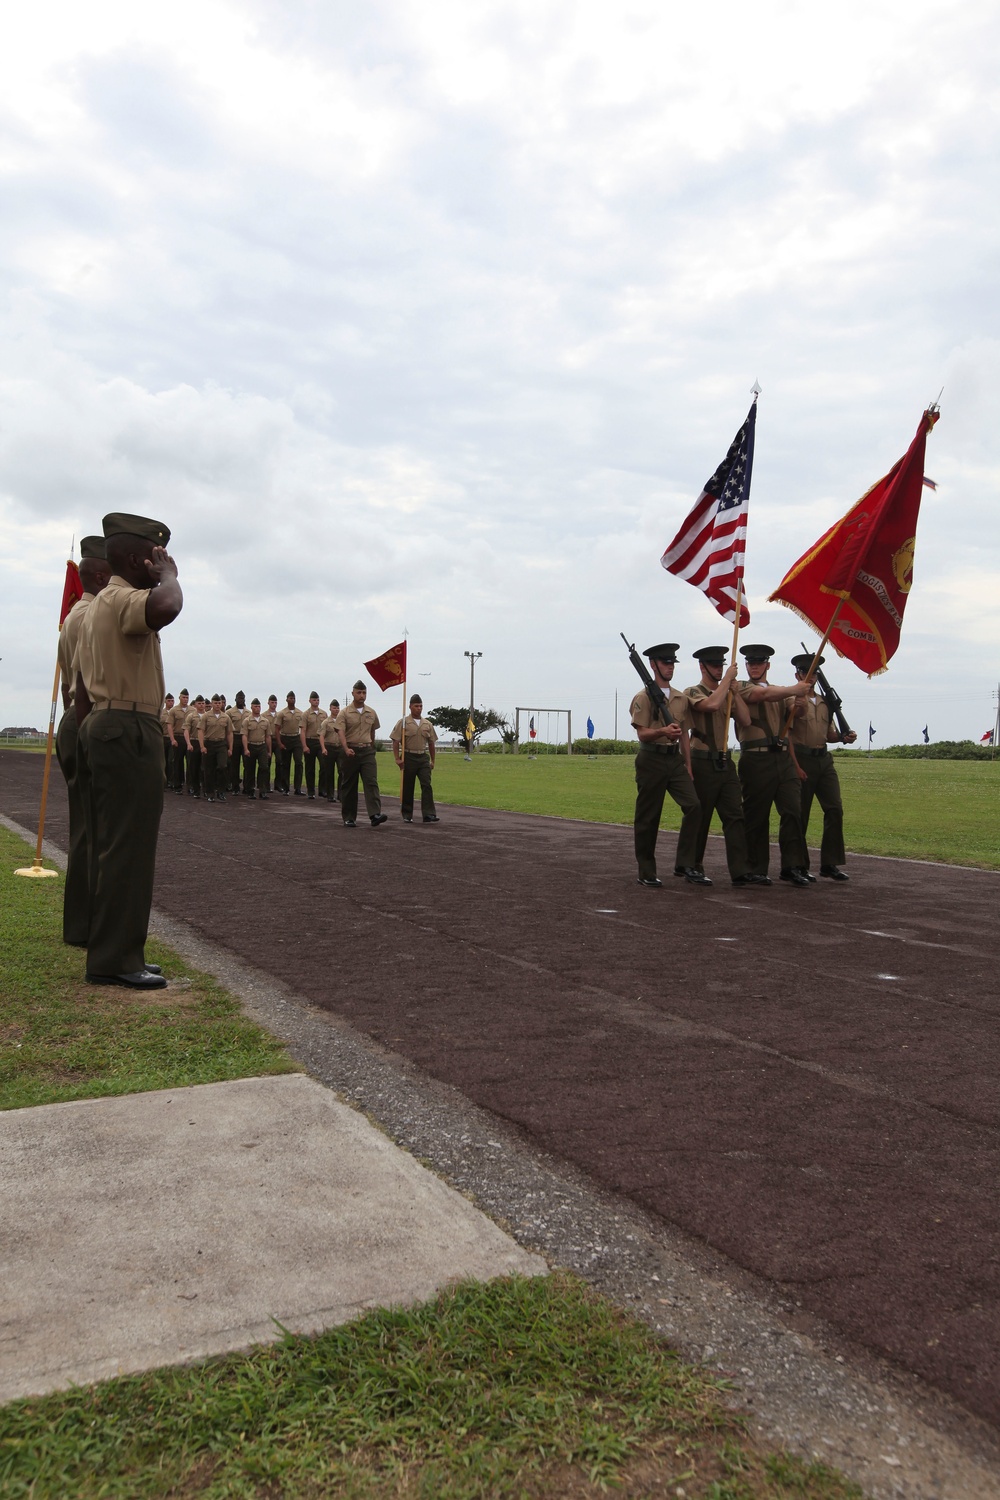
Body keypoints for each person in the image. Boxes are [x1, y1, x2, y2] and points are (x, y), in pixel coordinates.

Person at [75, 511, 182, 989]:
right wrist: (171, 576)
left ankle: (115, 951)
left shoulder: (99, 605)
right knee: (129, 850)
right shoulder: (122, 598)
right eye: (154, 554)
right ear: (139, 556)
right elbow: (168, 607)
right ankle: (116, 958)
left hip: (106, 724)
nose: (158, 562)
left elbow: (80, 688)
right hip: (127, 727)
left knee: (116, 847)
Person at [54, 535, 111, 947]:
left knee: (84, 830)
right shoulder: (91, 615)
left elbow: (66, 685)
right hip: (89, 719)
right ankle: (88, 926)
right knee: (94, 832)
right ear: (101, 573)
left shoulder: (74, 616)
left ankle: (80, 925)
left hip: (75, 719)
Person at [734, 644, 813, 886]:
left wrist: (801, 698)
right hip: (756, 758)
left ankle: (792, 866)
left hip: (782, 757)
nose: (754, 666)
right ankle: (756, 867)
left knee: (793, 811)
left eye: (759, 662)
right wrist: (795, 688)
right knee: (756, 815)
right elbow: (762, 695)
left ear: (767, 665)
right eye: (750, 662)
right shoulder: (741, 687)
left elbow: (796, 712)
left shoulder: (783, 691)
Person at [629, 642, 707, 887]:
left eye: (672, 662)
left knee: (694, 806)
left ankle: (685, 863)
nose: (670, 667)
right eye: (665, 663)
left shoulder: (680, 698)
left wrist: (688, 764)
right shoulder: (643, 697)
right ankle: (647, 871)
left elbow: (684, 733)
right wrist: (662, 730)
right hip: (651, 758)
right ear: (653, 665)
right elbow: (642, 734)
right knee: (648, 817)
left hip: (674, 760)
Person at [684, 647, 759, 886]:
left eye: (721, 665)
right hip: (702, 761)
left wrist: (735, 693)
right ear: (702, 667)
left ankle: (740, 870)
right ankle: (691, 866)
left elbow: (746, 721)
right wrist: (727, 680)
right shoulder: (693, 691)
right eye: (714, 666)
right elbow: (710, 706)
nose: (718, 669)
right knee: (701, 817)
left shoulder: (727, 692)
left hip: (725, 763)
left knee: (735, 816)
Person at [787, 652, 857, 880]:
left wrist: (844, 737)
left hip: (823, 759)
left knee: (835, 808)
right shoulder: (791, 699)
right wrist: (795, 766)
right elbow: (787, 735)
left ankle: (830, 863)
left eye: (814, 673)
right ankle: (797, 865)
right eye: (805, 672)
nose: (810, 676)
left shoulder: (825, 703)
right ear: (797, 673)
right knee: (800, 813)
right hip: (801, 757)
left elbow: (829, 735)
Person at [335, 680, 387, 827]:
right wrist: (345, 748)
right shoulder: (344, 713)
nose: (362, 695)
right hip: (350, 750)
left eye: (364, 692)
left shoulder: (371, 712)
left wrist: (371, 747)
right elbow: (340, 732)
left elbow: (372, 730)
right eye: (359, 692)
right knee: (349, 785)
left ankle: (375, 814)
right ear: (353, 693)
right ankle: (349, 817)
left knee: (371, 782)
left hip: (367, 751)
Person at [391, 694, 440, 822]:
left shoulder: (427, 724)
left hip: (423, 757)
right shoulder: (403, 722)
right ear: (410, 707)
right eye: (416, 706)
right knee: (408, 786)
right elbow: (395, 741)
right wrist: (397, 758)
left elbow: (431, 743)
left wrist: (433, 760)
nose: (419, 708)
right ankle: (407, 814)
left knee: (426, 784)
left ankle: (429, 814)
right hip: (409, 756)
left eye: (421, 706)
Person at [199, 693, 234, 802]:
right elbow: (201, 731)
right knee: (209, 770)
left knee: (223, 766)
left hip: (221, 744)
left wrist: (230, 748)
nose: (218, 705)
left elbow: (229, 733)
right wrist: (202, 746)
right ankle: (210, 793)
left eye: (219, 703)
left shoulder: (226, 717)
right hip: (209, 744)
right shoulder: (206, 716)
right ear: (212, 703)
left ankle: (221, 791)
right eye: (215, 703)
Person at [273, 690, 304, 795]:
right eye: (290, 698)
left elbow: (304, 728)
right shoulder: (282, 713)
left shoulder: (300, 713)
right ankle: (286, 788)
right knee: (285, 764)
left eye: (294, 698)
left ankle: (298, 788)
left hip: (296, 738)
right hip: (285, 738)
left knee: (299, 762)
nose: (292, 700)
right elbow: (277, 729)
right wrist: (279, 743)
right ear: (286, 700)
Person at [241, 698, 272, 799]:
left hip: (262, 745)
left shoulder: (265, 721)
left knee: (264, 767)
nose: (257, 708)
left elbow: (268, 736)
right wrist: (246, 749)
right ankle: (250, 790)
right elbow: (244, 736)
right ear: (251, 707)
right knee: (250, 769)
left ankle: (262, 790)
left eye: (259, 706)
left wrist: (269, 750)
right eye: (255, 706)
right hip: (251, 745)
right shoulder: (247, 721)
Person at [300, 691, 325, 800]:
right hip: (309, 741)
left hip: (320, 742)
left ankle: (322, 790)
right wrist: (304, 746)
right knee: (310, 768)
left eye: (318, 700)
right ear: (310, 701)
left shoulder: (324, 714)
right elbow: (303, 731)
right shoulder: (305, 714)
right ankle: (310, 791)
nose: (316, 702)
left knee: (324, 766)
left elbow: (326, 730)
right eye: (314, 700)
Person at [318, 699, 342, 802]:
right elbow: (321, 736)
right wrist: (323, 748)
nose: (336, 710)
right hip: (329, 747)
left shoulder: (342, 721)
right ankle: (330, 795)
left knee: (342, 771)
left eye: (337, 708)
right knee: (329, 772)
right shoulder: (326, 722)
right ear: (330, 708)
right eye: (334, 708)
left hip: (340, 748)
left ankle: (341, 795)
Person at [183, 693, 206, 796]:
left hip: (205, 743)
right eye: (199, 703)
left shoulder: (208, 716)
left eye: (203, 703)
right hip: (194, 742)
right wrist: (188, 743)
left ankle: (206, 789)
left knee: (205, 767)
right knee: (194, 767)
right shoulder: (191, 716)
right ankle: (194, 788)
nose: (201, 705)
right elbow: (186, 730)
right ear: (195, 704)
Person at [167, 688, 189, 791]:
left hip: (189, 739)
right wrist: (172, 739)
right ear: (179, 697)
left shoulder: (192, 710)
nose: (185, 699)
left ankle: (190, 785)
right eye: (183, 697)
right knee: (177, 762)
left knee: (191, 763)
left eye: (187, 697)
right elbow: (170, 725)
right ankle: (177, 785)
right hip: (178, 737)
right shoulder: (174, 710)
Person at [227, 691, 247, 793]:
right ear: (235, 699)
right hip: (234, 738)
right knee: (234, 764)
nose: (241, 700)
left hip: (245, 739)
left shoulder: (248, 713)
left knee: (247, 764)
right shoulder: (229, 712)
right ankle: (235, 787)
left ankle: (247, 787)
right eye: (239, 698)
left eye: (242, 698)